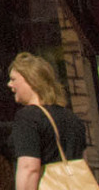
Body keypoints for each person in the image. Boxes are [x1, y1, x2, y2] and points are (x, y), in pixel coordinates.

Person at [8, 52, 88, 190]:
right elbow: (82, 162)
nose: (9, 84)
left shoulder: (28, 117)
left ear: (31, 80)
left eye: (13, 79)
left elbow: (29, 168)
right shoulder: (72, 117)